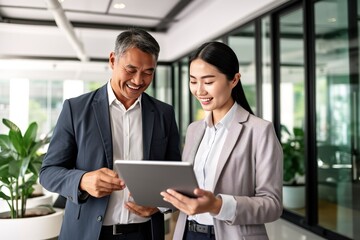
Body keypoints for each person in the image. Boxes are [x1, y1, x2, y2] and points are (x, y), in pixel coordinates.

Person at [40, 28, 181, 240]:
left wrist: (160, 205)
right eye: (131, 69)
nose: (138, 80)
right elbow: (48, 172)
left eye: (148, 72)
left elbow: (174, 176)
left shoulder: (164, 113)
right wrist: (82, 180)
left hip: (145, 234)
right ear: (113, 60)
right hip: (88, 233)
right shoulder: (75, 109)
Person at [161, 41, 283, 240]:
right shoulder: (194, 130)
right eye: (193, 81)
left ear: (234, 80)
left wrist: (217, 205)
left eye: (208, 82)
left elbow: (272, 205)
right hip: (188, 233)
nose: (199, 90)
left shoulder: (260, 131)